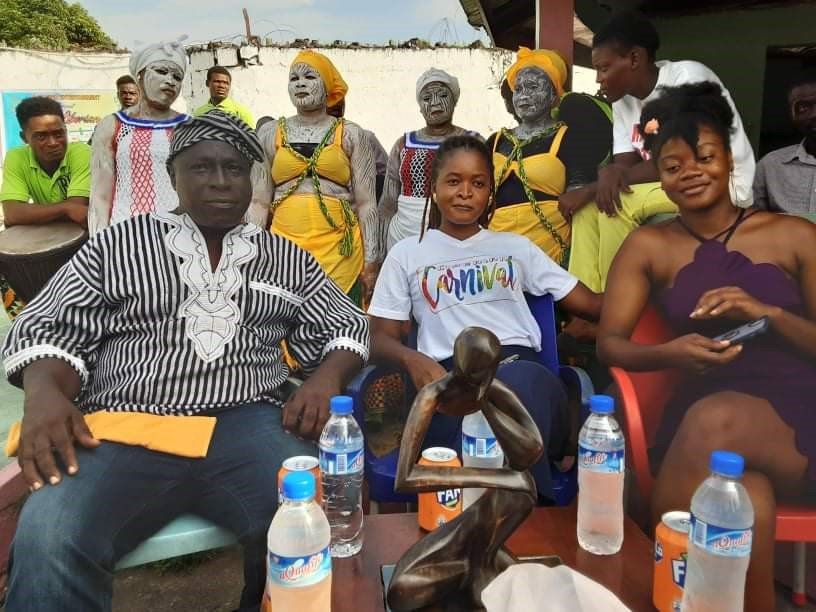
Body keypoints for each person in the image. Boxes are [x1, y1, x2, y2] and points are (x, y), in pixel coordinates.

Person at [2, 111, 369, 611]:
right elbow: (48, 324)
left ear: (251, 179)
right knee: (51, 535)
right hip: (126, 424)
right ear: (173, 175)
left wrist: (326, 379)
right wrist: (44, 393)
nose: (220, 181)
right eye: (201, 167)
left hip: (249, 421)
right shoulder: (118, 244)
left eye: (234, 168)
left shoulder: (285, 258)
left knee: (311, 524)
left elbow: (346, 324)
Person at [597, 82, 816, 611]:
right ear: (660, 175)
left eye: (705, 157)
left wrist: (767, 313)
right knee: (745, 500)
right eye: (673, 166)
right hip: (704, 398)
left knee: (714, 425)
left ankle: (653, 585)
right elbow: (609, 345)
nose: (691, 172)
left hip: (798, 411)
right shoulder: (650, 245)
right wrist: (671, 354)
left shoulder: (793, 235)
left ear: (729, 158)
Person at [368, 135, 601, 503]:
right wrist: (412, 360)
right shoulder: (407, 254)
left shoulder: (515, 247)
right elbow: (380, 338)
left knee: (514, 386)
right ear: (434, 187)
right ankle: (519, 515)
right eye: (454, 181)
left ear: (490, 193)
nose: (465, 193)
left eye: (478, 183)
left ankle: (518, 514)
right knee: (467, 422)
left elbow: (592, 304)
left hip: (524, 374)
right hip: (452, 383)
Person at [566, 11, 756, 292]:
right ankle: (587, 300)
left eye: (604, 68)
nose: (598, 79)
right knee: (587, 210)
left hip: (720, 186)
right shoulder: (622, 102)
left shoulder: (687, 77)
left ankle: (616, 299)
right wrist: (604, 181)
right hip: (669, 186)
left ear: (634, 58)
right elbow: (625, 165)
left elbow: (680, 159)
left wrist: (595, 185)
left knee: (616, 206)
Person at [251, 50, 379, 306]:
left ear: (328, 85)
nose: (300, 84)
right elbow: (258, 202)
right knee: (284, 318)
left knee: (340, 319)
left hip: (340, 251)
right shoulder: (269, 133)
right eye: (294, 78)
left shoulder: (352, 134)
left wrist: (372, 259)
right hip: (284, 249)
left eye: (310, 77)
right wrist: (251, 252)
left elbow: (367, 203)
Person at [487, 47, 610, 266]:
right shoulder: (495, 141)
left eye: (533, 87)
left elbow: (579, 204)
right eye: (518, 89)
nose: (524, 95)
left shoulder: (570, 138)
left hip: (549, 252)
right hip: (495, 255)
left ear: (554, 94)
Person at [89, 40, 190, 234]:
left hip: (180, 233)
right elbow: (100, 195)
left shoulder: (190, 126)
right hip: (127, 233)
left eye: (177, 77)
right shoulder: (113, 125)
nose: (170, 81)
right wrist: (100, 242)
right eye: (161, 71)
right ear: (139, 76)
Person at [379, 68, 478, 252]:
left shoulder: (474, 142)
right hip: (404, 237)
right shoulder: (404, 144)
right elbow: (388, 203)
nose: (434, 103)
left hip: (458, 236)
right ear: (419, 106)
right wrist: (378, 254)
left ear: (455, 100)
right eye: (426, 98)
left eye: (442, 95)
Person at [0, 97, 90, 228]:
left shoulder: (82, 153)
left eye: (58, 134)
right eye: (41, 136)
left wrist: (30, 214)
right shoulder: (16, 157)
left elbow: (78, 208)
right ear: (24, 138)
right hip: (49, 235)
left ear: (65, 130)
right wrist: (66, 208)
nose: (53, 143)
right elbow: (12, 213)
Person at [753, 71, 816, 213]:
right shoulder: (770, 166)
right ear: (791, 114)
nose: (814, 114)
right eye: (803, 108)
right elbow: (750, 220)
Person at [327, 98, 388, 202]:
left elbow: (386, 176)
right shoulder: (303, 140)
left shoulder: (365, 137)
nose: (336, 103)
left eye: (340, 98)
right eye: (330, 97)